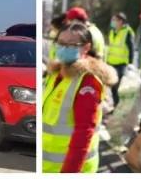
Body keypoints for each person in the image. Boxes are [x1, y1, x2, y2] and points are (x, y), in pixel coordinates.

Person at [41, 23, 117, 173]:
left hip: (71, 168)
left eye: (71, 45)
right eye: (61, 43)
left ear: (86, 48)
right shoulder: (55, 74)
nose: (64, 48)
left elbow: (84, 132)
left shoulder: (88, 81)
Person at [105, 12, 134, 106]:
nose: (113, 22)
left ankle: (118, 106)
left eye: (115, 20)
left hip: (121, 64)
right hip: (111, 63)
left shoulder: (127, 32)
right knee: (112, 86)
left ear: (121, 21)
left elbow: (131, 48)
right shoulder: (112, 31)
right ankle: (116, 105)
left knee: (117, 86)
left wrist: (130, 63)